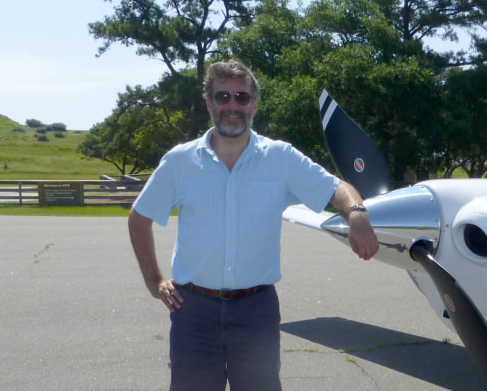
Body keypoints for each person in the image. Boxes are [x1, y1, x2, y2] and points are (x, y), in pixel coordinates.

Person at [127, 59, 379, 391]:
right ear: (209, 103)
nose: (233, 105)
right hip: (194, 312)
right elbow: (139, 217)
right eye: (223, 97)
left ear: (254, 105)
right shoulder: (180, 162)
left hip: (255, 311)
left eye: (242, 97)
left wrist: (357, 213)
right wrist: (154, 281)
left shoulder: (281, 158)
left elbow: (337, 188)